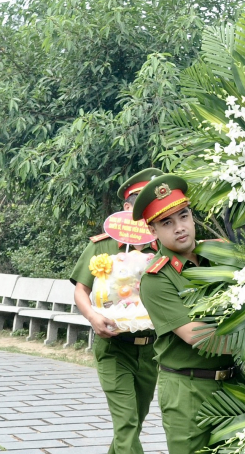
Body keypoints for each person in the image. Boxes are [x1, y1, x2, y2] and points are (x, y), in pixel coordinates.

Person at [133, 173, 244, 454]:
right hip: (188, 389)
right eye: (167, 223)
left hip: (234, 382)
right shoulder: (156, 279)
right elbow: (197, 336)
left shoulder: (220, 257)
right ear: (153, 231)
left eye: (183, 216)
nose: (179, 227)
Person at [69, 168, 162, 454]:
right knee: (126, 422)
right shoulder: (103, 244)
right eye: (140, 204)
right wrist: (93, 316)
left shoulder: (161, 246)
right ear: (126, 208)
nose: (146, 212)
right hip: (113, 347)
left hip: (150, 350)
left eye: (152, 207)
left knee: (135, 421)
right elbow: (80, 290)